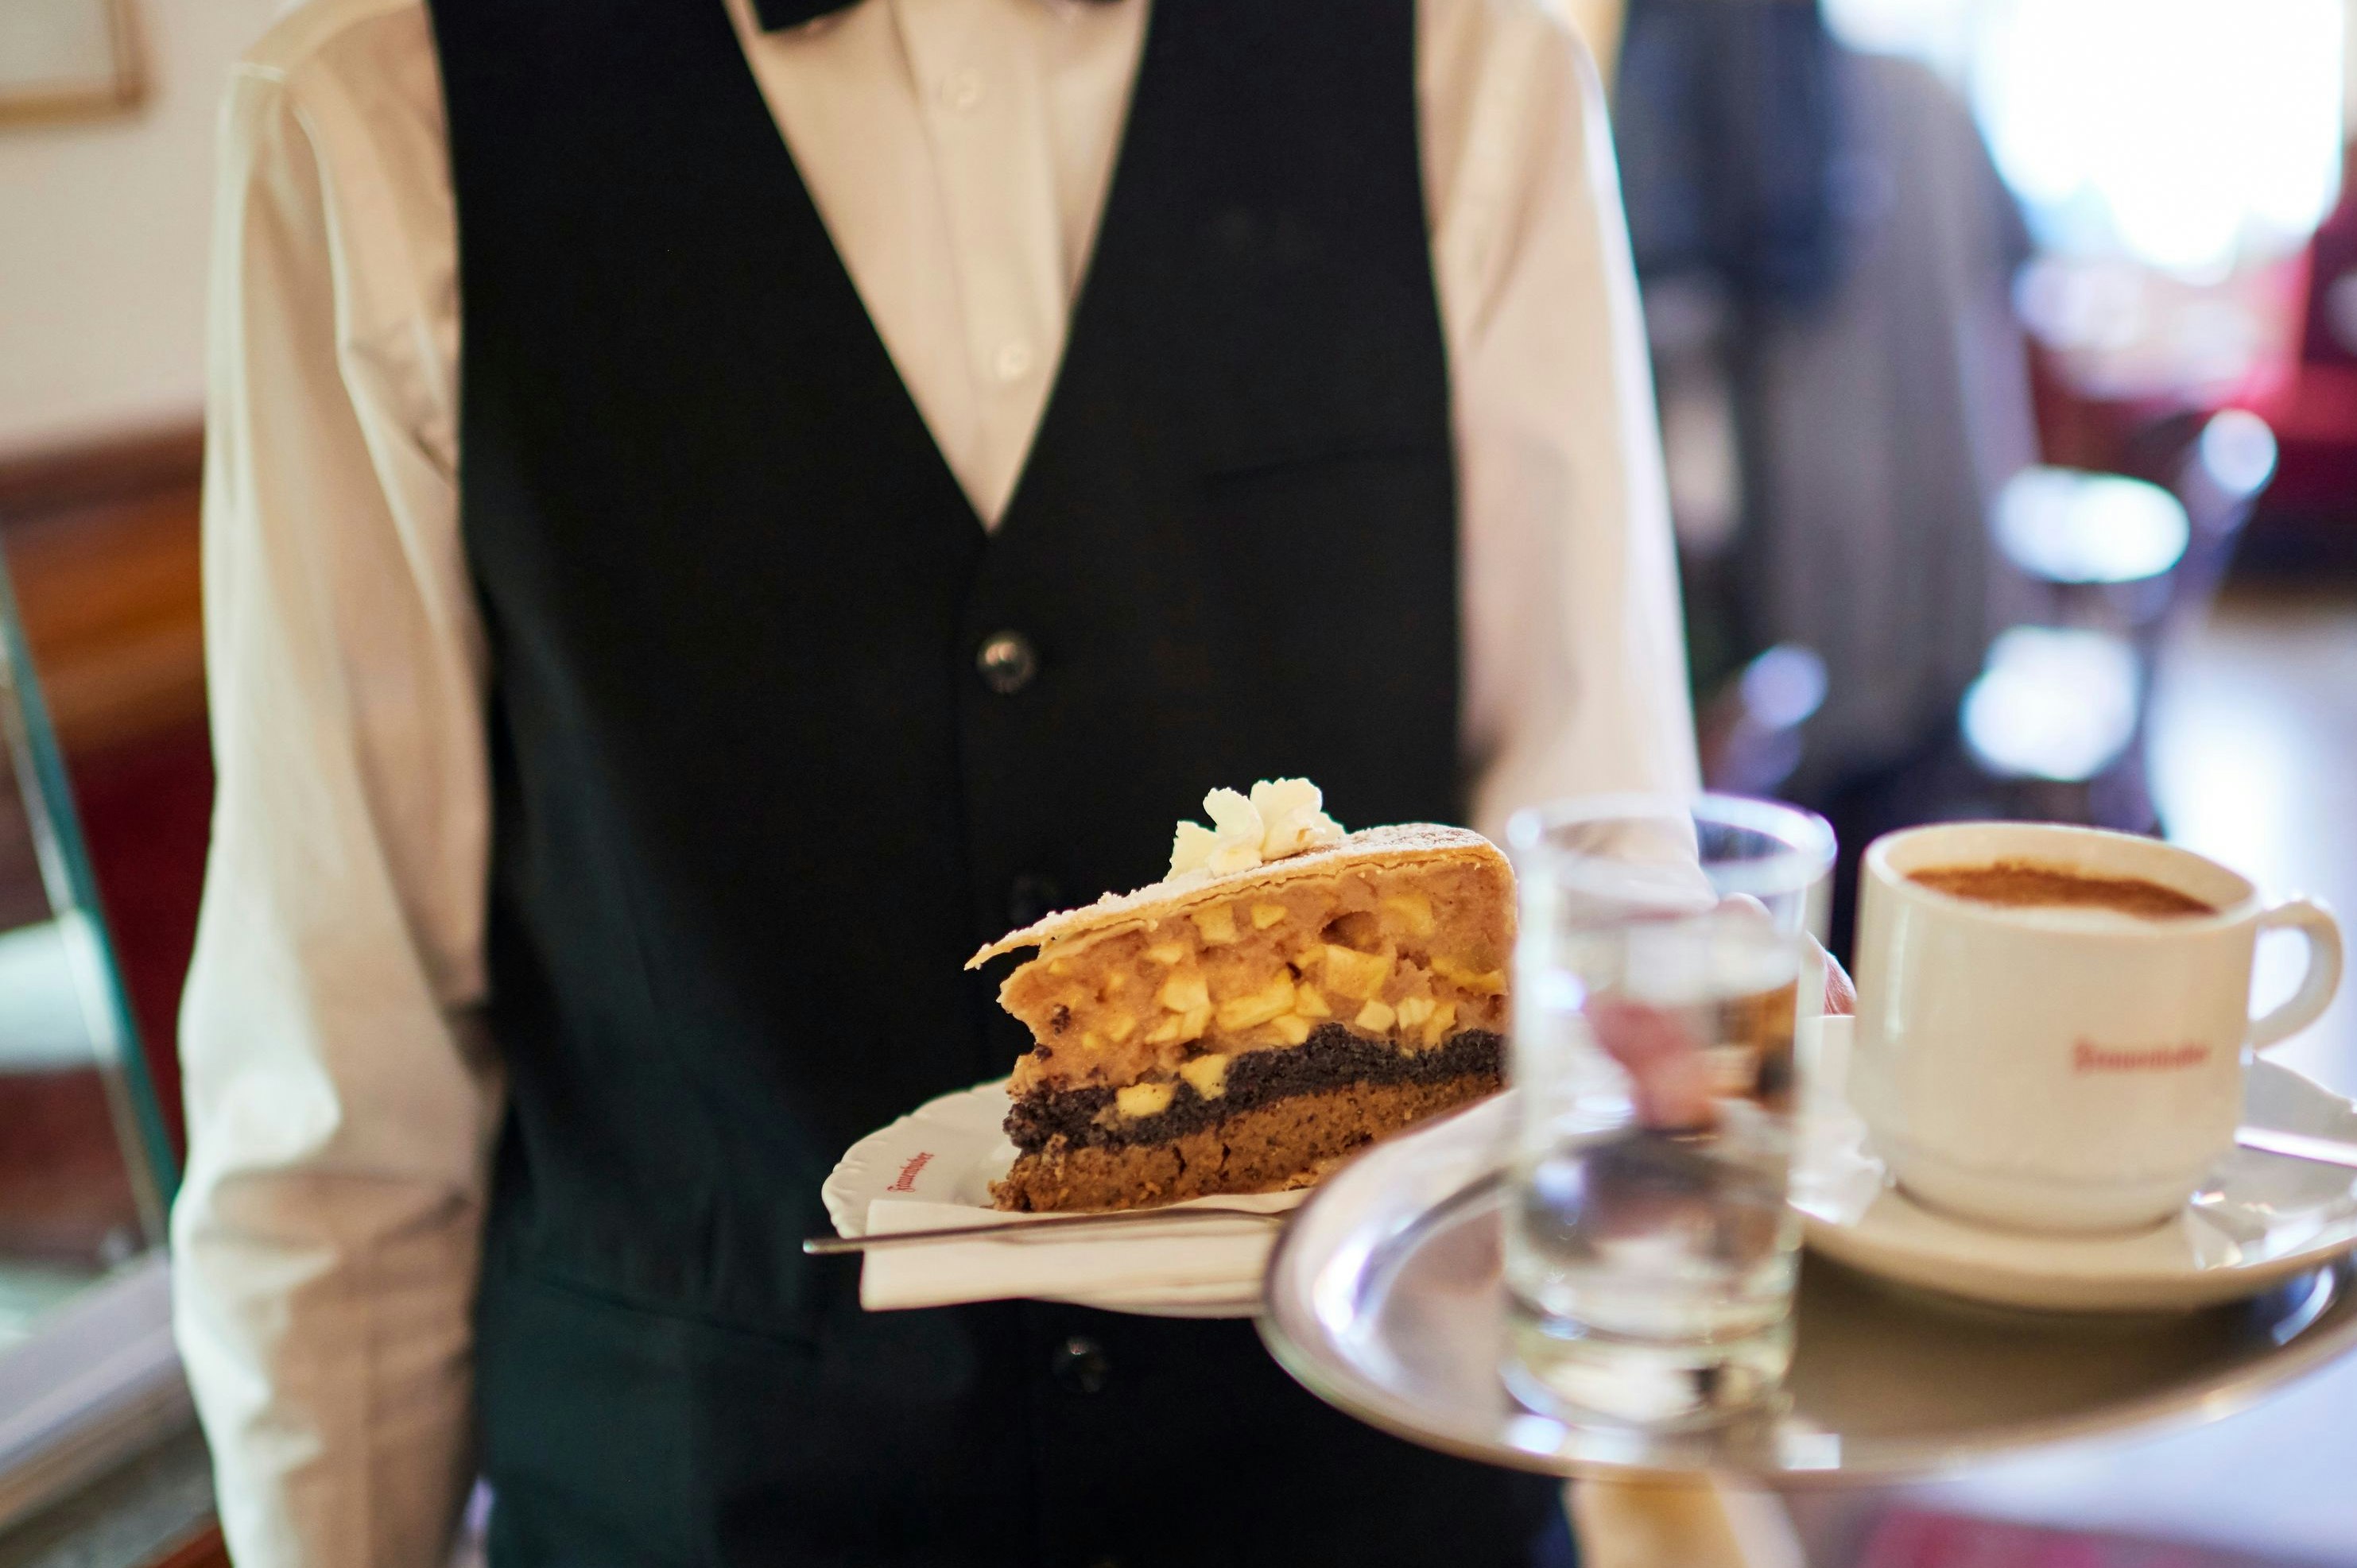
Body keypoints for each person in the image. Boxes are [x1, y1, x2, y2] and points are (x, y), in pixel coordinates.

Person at [173, 0, 1696, 1562]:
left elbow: (1610, 912)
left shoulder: (1462, 67)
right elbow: (338, 1067)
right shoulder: (374, 118)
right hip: (695, 1498)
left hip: (1369, 1491)